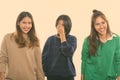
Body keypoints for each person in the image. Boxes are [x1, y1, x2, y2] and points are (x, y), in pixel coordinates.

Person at [0, 11, 45, 80]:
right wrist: (1, 77)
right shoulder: (7, 38)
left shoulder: (35, 41)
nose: (27, 26)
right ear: (18, 23)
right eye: (24, 22)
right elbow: (3, 59)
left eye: (29, 23)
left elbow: (39, 65)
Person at [81, 9, 120, 80]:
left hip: (109, 78)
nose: (101, 26)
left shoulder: (116, 39)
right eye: (97, 24)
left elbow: (118, 60)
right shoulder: (88, 41)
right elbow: (84, 60)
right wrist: (82, 77)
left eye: (103, 22)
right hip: (91, 77)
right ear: (93, 27)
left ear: (107, 22)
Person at [42, 15, 77, 80]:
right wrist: (44, 73)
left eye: (63, 25)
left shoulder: (72, 39)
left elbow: (68, 52)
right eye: (58, 24)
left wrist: (62, 36)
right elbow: (44, 58)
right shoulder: (50, 39)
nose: (60, 27)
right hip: (52, 75)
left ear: (67, 26)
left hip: (68, 75)